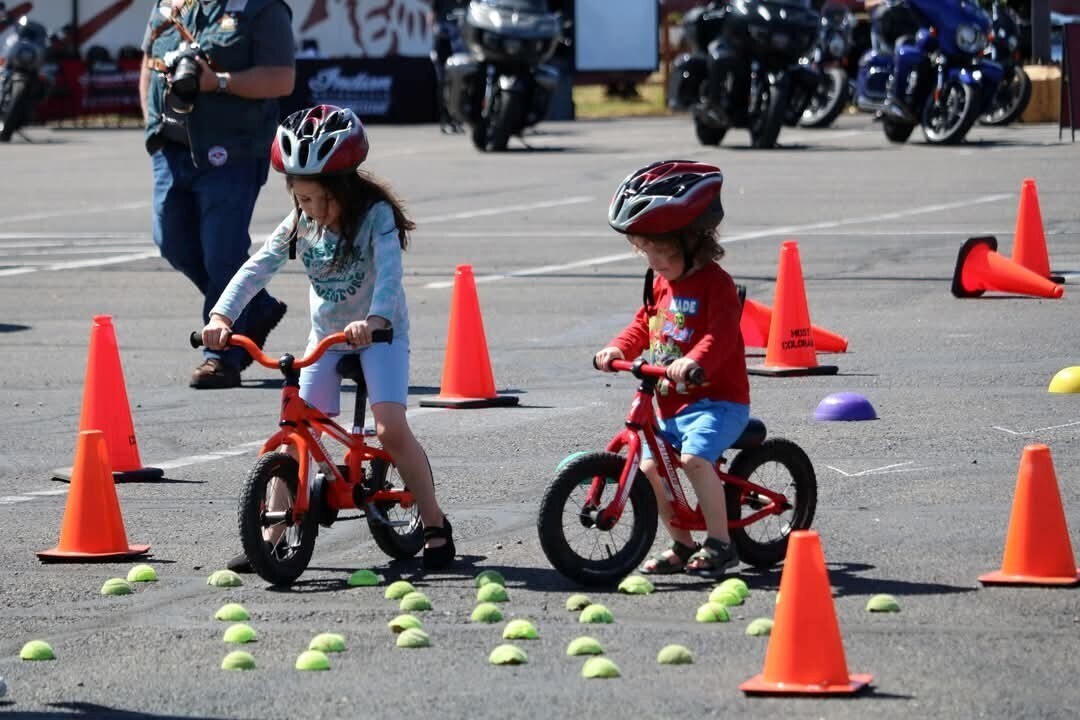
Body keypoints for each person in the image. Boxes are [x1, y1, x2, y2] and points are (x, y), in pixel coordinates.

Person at [201, 104, 456, 571]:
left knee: (389, 429)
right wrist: (221, 316)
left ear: (345, 188)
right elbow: (257, 267)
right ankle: (271, 535)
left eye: (321, 199)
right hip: (327, 337)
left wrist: (376, 320)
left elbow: (390, 276)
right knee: (293, 431)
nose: (312, 210)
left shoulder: (374, 215)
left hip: (380, 335)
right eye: (302, 199)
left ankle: (436, 524)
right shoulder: (301, 222)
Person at [593, 160, 750, 578]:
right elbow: (644, 324)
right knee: (649, 469)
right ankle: (681, 544)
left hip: (717, 401)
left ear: (693, 243)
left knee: (695, 459)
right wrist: (615, 348)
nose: (654, 261)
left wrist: (693, 362)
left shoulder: (716, 284)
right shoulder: (660, 281)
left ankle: (721, 543)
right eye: (646, 251)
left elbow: (721, 337)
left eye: (661, 252)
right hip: (669, 402)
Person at [140, 0, 295, 389]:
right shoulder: (170, 3)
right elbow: (148, 63)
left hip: (233, 149)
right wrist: (151, 125)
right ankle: (254, 306)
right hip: (172, 148)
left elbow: (281, 79)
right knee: (171, 242)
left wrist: (219, 81)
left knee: (221, 250)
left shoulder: (262, 8)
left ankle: (222, 356)